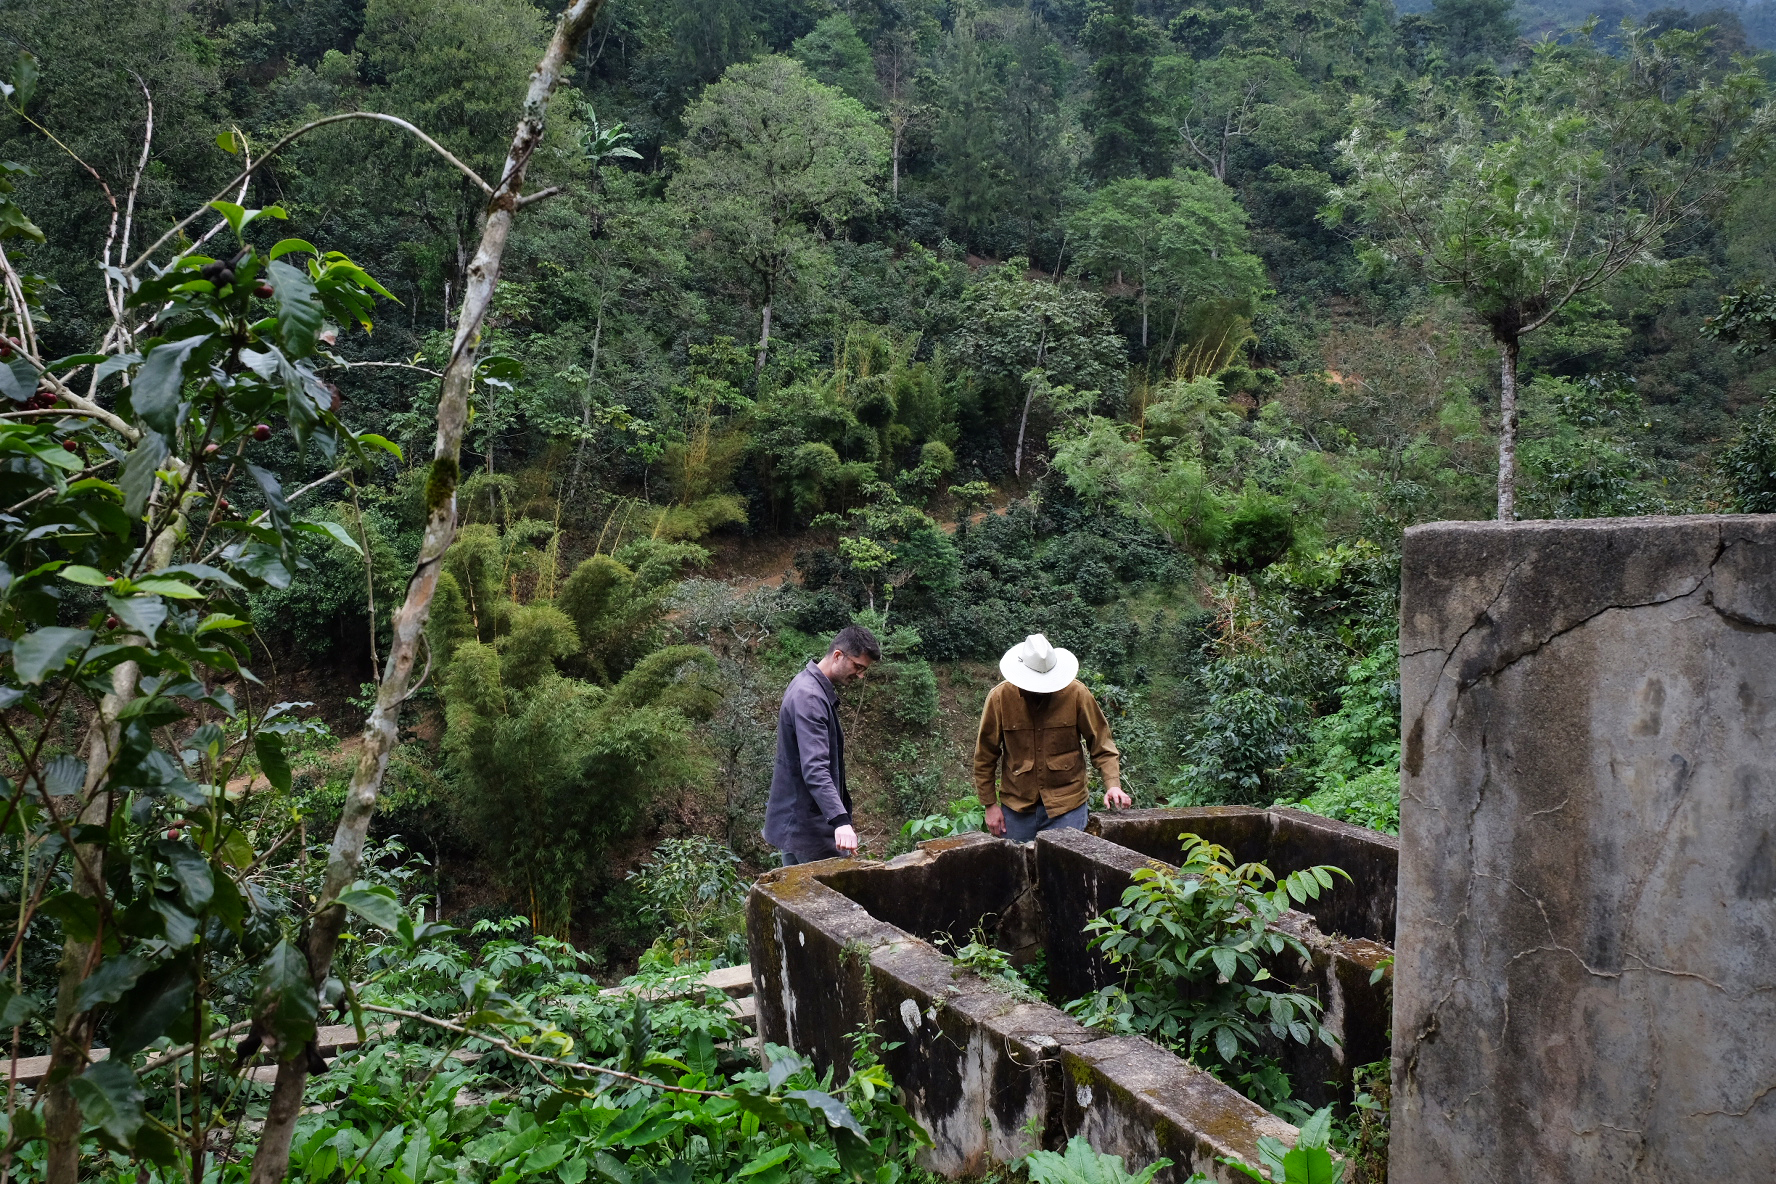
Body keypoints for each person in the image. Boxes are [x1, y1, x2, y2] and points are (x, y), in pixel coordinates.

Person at [973, 633, 1132, 841]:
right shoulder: (1000, 698)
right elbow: (985, 756)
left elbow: (1101, 744)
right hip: (1017, 810)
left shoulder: (1077, 694)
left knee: (1066, 870)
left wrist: (1113, 785)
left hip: (1068, 807)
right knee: (1020, 869)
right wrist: (990, 805)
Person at [763, 623, 881, 865]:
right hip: (810, 831)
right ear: (838, 655)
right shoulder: (810, 697)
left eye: (863, 670)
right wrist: (840, 821)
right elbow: (815, 768)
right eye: (857, 666)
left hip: (798, 826)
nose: (860, 675)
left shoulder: (806, 684)